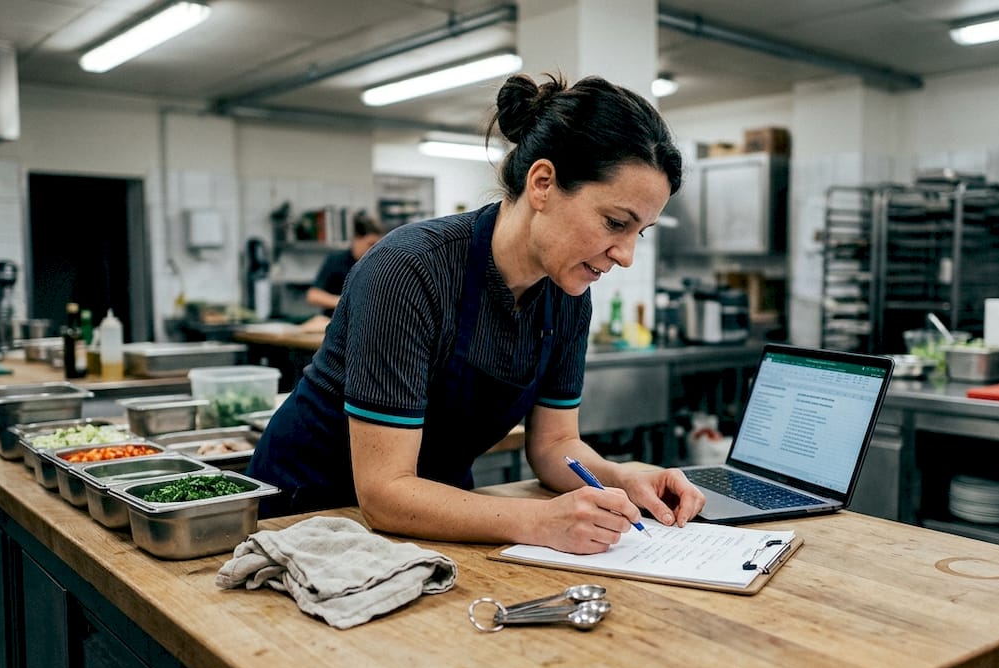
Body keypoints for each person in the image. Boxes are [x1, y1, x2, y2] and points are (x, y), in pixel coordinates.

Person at [249, 72, 705, 555]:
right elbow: (384, 493)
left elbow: (553, 447)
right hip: (307, 520)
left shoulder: (569, 292)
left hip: (434, 524)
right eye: (616, 223)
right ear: (543, 183)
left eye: (642, 232)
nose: (626, 255)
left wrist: (622, 478)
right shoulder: (410, 270)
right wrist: (541, 520)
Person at [304, 211, 383, 315]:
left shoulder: (378, 264)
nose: (374, 249)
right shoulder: (336, 261)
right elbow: (313, 296)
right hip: (335, 322)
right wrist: (346, 302)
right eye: (370, 244)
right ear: (356, 239)